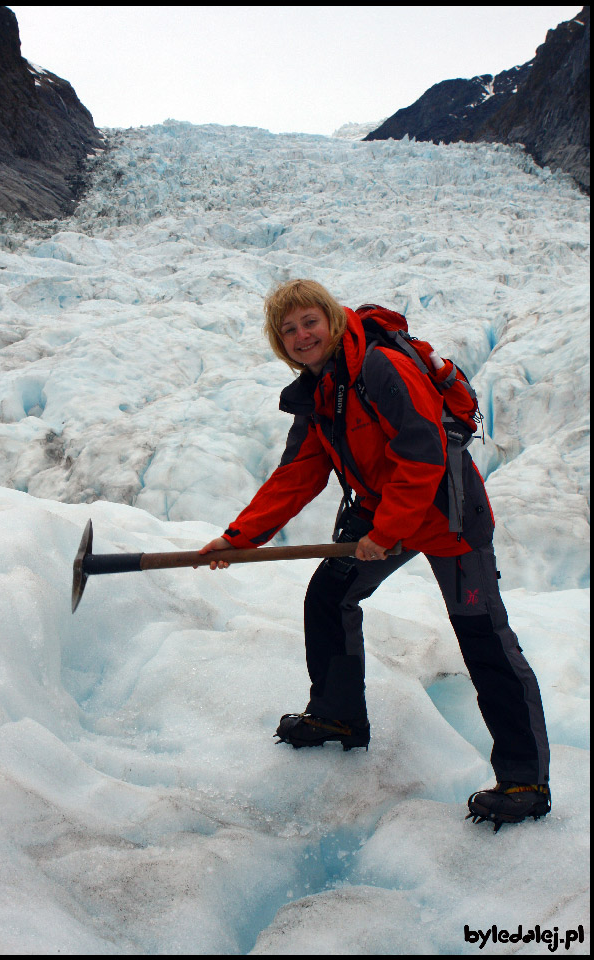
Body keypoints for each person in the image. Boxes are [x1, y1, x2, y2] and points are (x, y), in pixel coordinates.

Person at [198, 278, 551, 832]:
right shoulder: (321, 391)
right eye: (288, 329)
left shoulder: (381, 366)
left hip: (446, 512)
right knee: (330, 594)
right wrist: (239, 537)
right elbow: (298, 473)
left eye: (309, 321)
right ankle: (338, 716)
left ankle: (525, 782)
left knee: (483, 638)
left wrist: (386, 530)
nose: (301, 335)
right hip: (383, 513)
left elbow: (423, 451)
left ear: (331, 320)